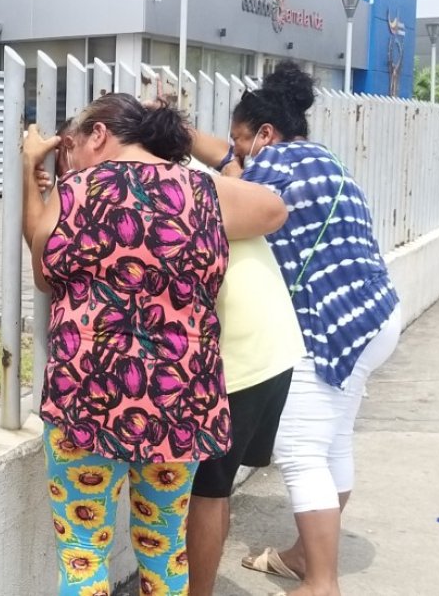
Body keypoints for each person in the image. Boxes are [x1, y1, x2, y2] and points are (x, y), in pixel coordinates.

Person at [23, 95, 288, 596]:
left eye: (71, 148)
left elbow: (43, 274)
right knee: (165, 551)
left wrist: (31, 176)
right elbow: (274, 208)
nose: (70, 161)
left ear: (98, 135)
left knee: (83, 555)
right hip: (180, 399)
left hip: (86, 397)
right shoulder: (204, 192)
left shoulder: (76, 191)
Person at [189, 61, 401, 596]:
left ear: (265, 134)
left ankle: (321, 582)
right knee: (333, 443)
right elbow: (232, 165)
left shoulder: (275, 164)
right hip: (373, 315)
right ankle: (304, 556)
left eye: (241, 141)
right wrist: (193, 138)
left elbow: (232, 192)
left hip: (326, 321)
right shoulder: (317, 159)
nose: (235, 153)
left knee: (301, 450)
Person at [184, 233, 305, 596]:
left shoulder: (178, 185)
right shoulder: (207, 187)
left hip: (237, 360)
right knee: (215, 490)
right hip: (268, 350)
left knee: (206, 491)